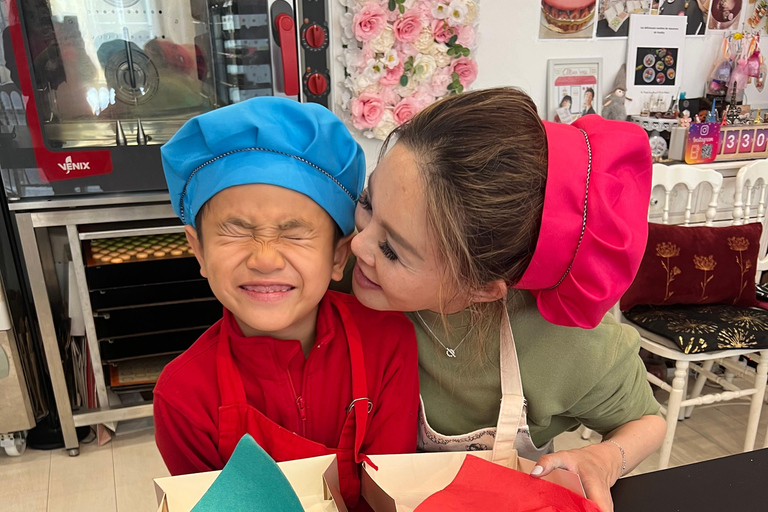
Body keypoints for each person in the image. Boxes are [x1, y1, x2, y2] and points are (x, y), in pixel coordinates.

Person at [349, 88, 666, 512]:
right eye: (368, 203)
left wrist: (604, 458)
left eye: (391, 250)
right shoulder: (342, 287)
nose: (357, 246)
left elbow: (646, 421)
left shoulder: (568, 345)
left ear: (481, 288)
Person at [153, 97, 419, 509]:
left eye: (294, 234)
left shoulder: (388, 342)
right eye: (236, 231)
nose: (264, 258)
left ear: (337, 255)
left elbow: (395, 491)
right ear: (199, 250)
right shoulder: (184, 395)